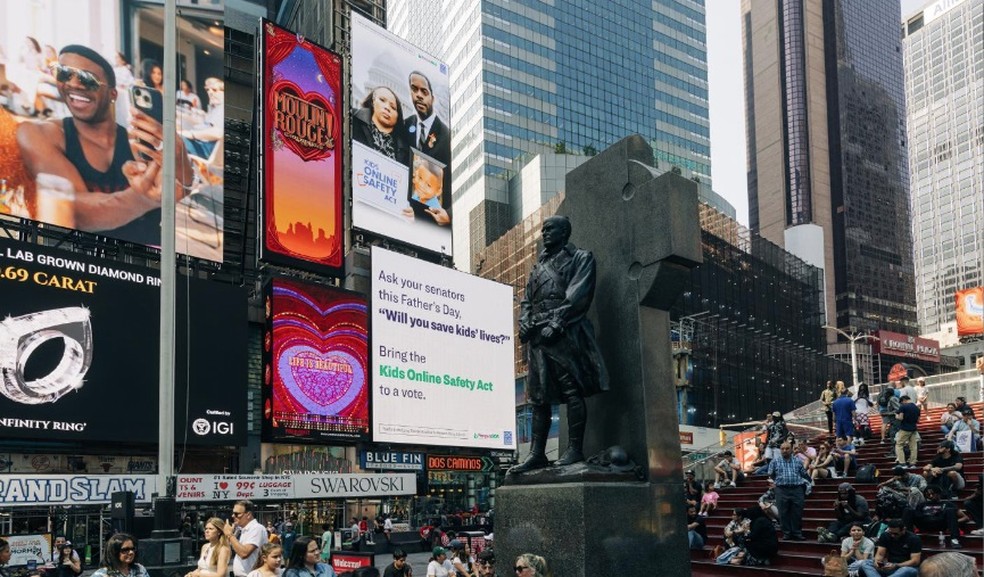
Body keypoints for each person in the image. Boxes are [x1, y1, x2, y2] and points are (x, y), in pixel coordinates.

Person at [16, 44, 194, 245]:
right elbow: (72, 212)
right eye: (63, 74)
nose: (73, 84)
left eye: (87, 79)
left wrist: (181, 155)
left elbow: (183, 186)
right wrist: (142, 199)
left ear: (112, 94)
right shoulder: (38, 134)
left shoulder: (141, 143)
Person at [511, 215, 609, 471]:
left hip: (564, 333)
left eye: (550, 229)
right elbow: (526, 301)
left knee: (571, 389)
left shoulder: (581, 258)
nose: (544, 233)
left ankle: (575, 449)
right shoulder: (538, 265)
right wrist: (524, 320)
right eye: (542, 230)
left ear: (564, 232)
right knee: (538, 398)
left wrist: (557, 322)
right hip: (537, 336)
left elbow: (578, 294)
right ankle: (537, 454)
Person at [401, 71, 451, 226]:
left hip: (434, 225)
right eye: (414, 89)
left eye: (424, 91)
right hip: (405, 220)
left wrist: (449, 215)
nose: (419, 95)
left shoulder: (447, 136)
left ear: (432, 98)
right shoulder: (405, 126)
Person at [352, 86, 409, 165]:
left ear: (398, 116)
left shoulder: (405, 150)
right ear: (372, 102)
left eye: (393, 107)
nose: (387, 108)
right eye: (382, 100)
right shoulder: (351, 118)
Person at [766, 441, 809, 540]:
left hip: (797, 489)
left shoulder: (798, 461)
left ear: (791, 449)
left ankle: (797, 533)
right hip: (781, 489)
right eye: (782, 449)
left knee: (797, 512)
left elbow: (803, 473)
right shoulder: (775, 461)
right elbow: (771, 474)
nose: (784, 450)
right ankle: (787, 533)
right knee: (783, 512)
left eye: (787, 448)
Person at [856, 519, 921, 577]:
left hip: (905, 567)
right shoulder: (885, 535)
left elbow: (915, 561)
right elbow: (880, 554)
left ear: (903, 530)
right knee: (866, 563)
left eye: (895, 534)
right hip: (888, 566)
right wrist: (877, 562)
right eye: (890, 533)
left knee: (908, 570)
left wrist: (896, 565)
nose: (892, 535)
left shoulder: (914, 539)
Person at [180, 77, 223, 158]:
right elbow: (208, 124)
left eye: (214, 90)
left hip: (204, 148)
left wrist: (192, 134)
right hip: (202, 144)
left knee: (171, 139)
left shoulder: (222, 108)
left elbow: (218, 132)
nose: (210, 93)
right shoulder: (216, 108)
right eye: (208, 90)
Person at [225, 500, 269, 577]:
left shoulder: (256, 528)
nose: (233, 516)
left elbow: (244, 553)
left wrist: (230, 535)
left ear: (248, 514)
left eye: (237, 514)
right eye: (233, 513)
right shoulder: (242, 530)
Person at [894, 395, 920, 468]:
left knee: (899, 445)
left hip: (905, 428)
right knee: (913, 446)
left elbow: (901, 418)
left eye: (901, 402)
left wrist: (896, 415)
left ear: (904, 400)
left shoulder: (903, 407)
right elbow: (918, 420)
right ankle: (912, 463)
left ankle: (902, 463)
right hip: (914, 429)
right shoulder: (917, 408)